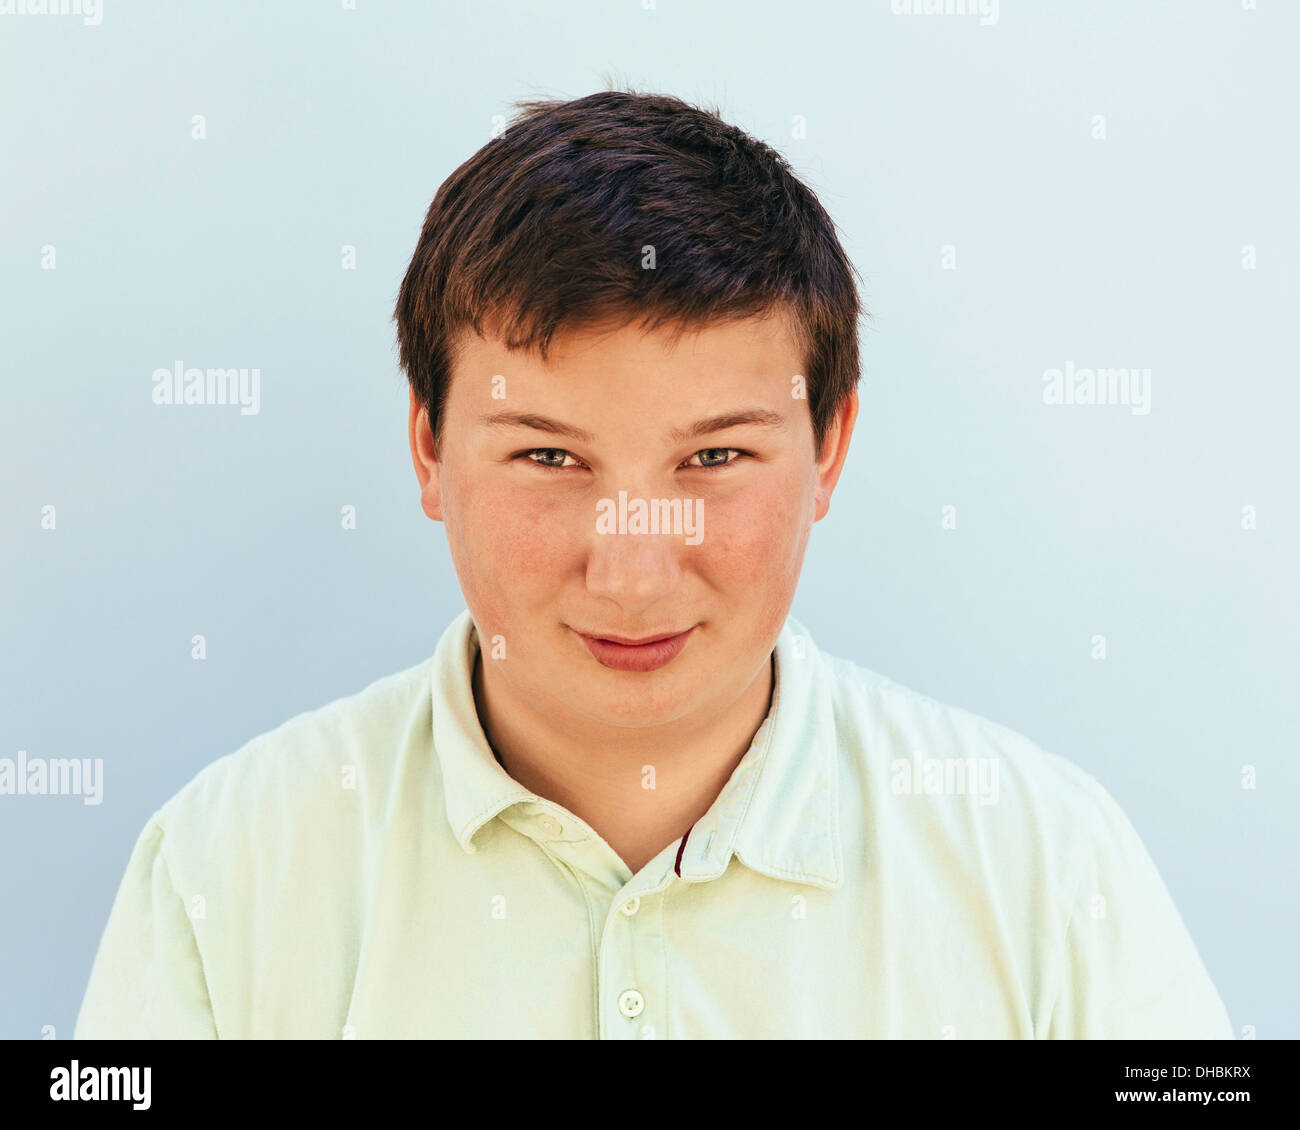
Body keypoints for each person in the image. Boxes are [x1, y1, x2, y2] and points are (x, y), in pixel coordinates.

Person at [74, 89, 1232, 1039]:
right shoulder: (223, 865)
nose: (630, 570)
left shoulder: (1045, 862)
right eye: (547, 455)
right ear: (428, 447)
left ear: (828, 447)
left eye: (715, 455)